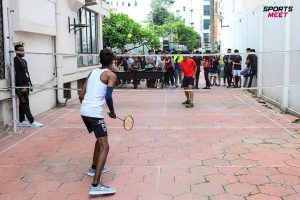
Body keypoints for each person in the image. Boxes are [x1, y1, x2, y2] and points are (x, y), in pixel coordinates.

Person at [79, 48, 117, 196]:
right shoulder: (111, 75)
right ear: (112, 61)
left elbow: (81, 94)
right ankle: (95, 185)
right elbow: (108, 96)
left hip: (84, 111)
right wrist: (112, 112)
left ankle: (93, 167)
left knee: (99, 140)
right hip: (94, 114)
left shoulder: (92, 72)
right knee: (105, 147)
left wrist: (87, 106)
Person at [14, 44, 43, 128]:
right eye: (21, 50)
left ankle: (22, 121)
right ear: (16, 51)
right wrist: (22, 86)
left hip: (26, 85)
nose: (23, 51)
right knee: (25, 103)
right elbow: (17, 75)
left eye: (23, 50)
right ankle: (32, 121)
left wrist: (30, 84)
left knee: (22, 104)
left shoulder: (24, 61)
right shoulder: (15, 60)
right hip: (20, 87)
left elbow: (27, 73)